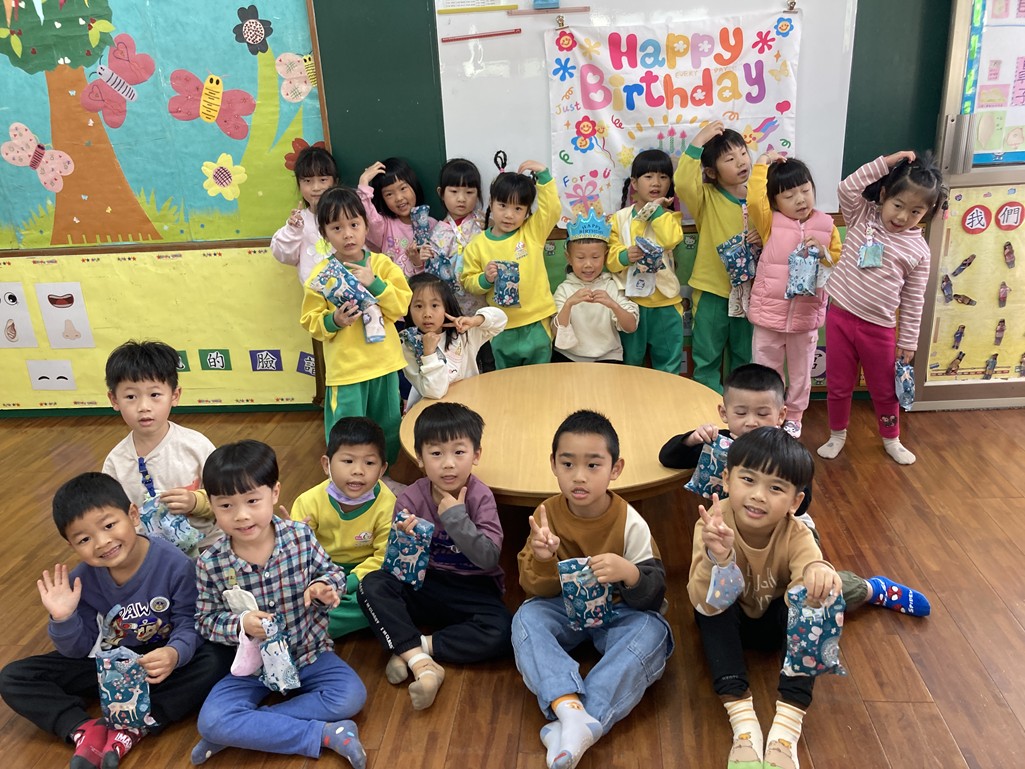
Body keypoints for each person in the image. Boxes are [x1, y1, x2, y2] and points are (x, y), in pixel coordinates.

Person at [0, 472, 232, 769]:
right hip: (111, 665)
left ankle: (141, 723)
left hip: (162, 663)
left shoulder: (174, 563)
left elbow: (190, 621)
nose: (102, 542)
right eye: (84, 539)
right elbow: (78, 650)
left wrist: (174, 653)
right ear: (72, 546)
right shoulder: (81, 580)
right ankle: (83, 729)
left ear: (133, 515)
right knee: (14, 677)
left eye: (109, 525)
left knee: (217, 657)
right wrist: (63, 617)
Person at [660, 363, 930, 618]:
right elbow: (668, 457)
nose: (751, 422)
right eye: (741, 413)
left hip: (782, 525)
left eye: (762, 414)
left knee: (814, 587)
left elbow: (801, 504)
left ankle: (870, 589)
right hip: (733, 529)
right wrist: (691, 439)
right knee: (731, 581)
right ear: (724, 413)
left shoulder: (788, 455)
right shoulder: (719, 442)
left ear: (781, 415)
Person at [192, 440, 367, 767]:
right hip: (252, 668)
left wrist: (325, 587)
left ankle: (242, 730)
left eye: (252, 500)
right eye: (226, 505)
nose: (241, 515)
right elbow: (204, 620)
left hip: (310, 654)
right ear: (211, 505)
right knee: (211, 719)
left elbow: (331, 573)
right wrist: (241, 625)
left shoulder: (300, 537)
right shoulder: (210, 563)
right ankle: (325, 734)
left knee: (351, 695)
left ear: (274, 493)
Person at [514, 410, 672, 769]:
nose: (579, 476)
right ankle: (571, 709)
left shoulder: (629, 520)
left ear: (615, 469)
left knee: (654, 633)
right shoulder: (546, 514)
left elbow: (654, 592)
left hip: (619, 611)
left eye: (593, 465)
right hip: (562, 608)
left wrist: (629, 573)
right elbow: (532, 587)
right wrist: (543, 559)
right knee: (526, 619)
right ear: (553, 464)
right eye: (568, 464)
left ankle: (574, 719)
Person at [689, 427, 840, 769]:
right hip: (731, 619)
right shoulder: (712, 525)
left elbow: (809, 576)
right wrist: (720, 559)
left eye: (776, 488)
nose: (758, 496)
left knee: (823, 598)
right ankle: (743, 723)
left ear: (795, 502)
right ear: (726, 480)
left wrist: (818, 571)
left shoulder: (797, 532)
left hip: (774, 621)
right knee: (711, 610)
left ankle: (786, 728)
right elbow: (702, 602)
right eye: (748, 480)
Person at [357, 403, 511, 711]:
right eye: (436, 453)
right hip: (425, 583)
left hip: (472, 588)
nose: (448, 464)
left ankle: (413, 648)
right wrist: (406, 544)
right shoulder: (410, 498)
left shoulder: (480, 496)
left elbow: (488, 558)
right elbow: (399, 570)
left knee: (503, 631)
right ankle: (422, 663)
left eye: (459, 452)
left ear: (476, 455)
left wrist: (455, 517)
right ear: (420, 458)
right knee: (371, 584)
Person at [817, 151, 946, 465]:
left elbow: (914, 299)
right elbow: (847, 187)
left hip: (879, 329)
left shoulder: (919, 250)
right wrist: (887, 162)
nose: (902, 217)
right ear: (885, 194)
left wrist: (909, 341)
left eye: (915, 211)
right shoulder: (862, 216)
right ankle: (837, 434)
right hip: (840, 317)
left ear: (927, 212)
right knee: (838, 385)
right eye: (898, 205)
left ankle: (891, 438)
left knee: (885, 389)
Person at [300, 186, 412, 460]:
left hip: (384, 365)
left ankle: (384, 473)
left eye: (354, 224)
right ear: (324, 233)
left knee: (387, 426)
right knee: (346, 430)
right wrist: (334, 320)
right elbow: (310, 320)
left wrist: (375, 283)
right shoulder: (322, 274)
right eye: (336, 228)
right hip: (347, 370)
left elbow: (401, 306)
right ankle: (346, 476)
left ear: (365, 226)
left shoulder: (382, 265)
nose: (348, 234)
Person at [747, 153, 842, 438]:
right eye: (789, 196)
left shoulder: (827, 225)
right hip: (768, 316)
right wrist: (762, 162)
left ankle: (795, 416)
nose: (800, 200)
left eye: (805, 190)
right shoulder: (769, 222)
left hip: (805, 318)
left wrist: (823, 253)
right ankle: (768, 414)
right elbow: (755, 201)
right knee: (765, 370)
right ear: (775, 202)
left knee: (801, 373)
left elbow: (837, 262)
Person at [102, 339, 221, 550]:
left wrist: (195, 501)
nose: (144, 406)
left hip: (209, 548)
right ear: (114, 400)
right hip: (152, 554)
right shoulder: (115, 462)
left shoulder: (196, 446)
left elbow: (228, 496)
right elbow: (110, 517)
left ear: (174, 396)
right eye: (130, 396)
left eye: (155, 394)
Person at [289, 417, 396, 637]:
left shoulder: (387, 503)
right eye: (348, 461)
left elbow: (383, 556)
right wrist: (293, 537)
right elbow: (297, 556)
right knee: (292, 589)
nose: (358, 471)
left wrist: (348, 583)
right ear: (326, 464)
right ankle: (315, 618)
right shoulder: (308, 501)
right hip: (321, 571)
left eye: (369, 463)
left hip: (364, 574)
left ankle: (312, 624)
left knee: (384, 595)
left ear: (382, 469)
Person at [675, 120, 756, 392]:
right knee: (706, 356)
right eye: (730, 159)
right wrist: (698, 141)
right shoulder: (706, 197)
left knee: (744, 357)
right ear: (711, 171)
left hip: (750, 292)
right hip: (712, 291)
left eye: (743, 153)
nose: (741, 162)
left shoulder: (760, 197)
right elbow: (683, 183)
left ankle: (741, 405)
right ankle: (707, 405)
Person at [461, 160, 561, 368]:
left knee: (541, 378)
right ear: (491, 203)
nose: (509, 215)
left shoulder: (532, 233)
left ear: (527, 212)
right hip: (500, 326)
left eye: (518, 208)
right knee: (505, 381)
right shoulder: (477, 245)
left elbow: (551, 210)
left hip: (536, 322)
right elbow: (468, 281)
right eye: (503, 205)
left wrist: (543, 176)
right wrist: (485, 279)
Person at [606, 149, 684, 372]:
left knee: (669, 363)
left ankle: (668, 394)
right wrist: (624, 256)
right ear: (634, 183)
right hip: (631, 303)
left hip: (666, 302)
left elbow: (670, 240)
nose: (656, 183)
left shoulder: (669, 217)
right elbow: (610, 259)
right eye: (648, 176)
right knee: (630, 364)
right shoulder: (619, 218)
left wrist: (655, 210)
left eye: (663, 177)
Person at [401, 272, 506, 409]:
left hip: (470, 404)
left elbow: (501, 320)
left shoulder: (463, 333)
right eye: (419, 306)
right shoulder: (408, 343)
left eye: (434, 305)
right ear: (408, 309)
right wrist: (429, 354)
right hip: (432, 411)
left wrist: (475, 320)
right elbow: (435, 391)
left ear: (446, 306)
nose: (427, 314)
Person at [553, 210, 639, 363]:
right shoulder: (564, 289)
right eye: (580, 258)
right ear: (569, 258)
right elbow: (555, 331)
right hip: (568, 356)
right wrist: (569, 304)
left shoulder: (612, 285)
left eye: (595, 257)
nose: (588, 264)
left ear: (605, 256)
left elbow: (631, 327)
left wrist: (613, 305)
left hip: (608, 356)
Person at [424, 158, 488, 316]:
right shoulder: (436, 234)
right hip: (453, 307)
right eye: (454, 192)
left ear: (478, 194)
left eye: (469, 192)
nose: (461, 199)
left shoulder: (484, 223)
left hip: (485, 303)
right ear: (441, 193)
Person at [271, 145, 340, 285]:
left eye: (323, 180)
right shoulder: (298, 222)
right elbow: (283, 255)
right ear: (299, 184)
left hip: (350, 292)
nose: (316, 188)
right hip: (314, 296)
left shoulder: (347, 215)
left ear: (335, 182)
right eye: (307, 181)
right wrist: (293, 231)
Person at [357, 157, 436, 277]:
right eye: (389, 194)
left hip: (422, 287)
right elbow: (368, 217)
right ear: (382, 199)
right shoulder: (384, 225)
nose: (399, 198)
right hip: (390, 287)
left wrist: (417, 262)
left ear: (414, 186)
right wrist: (363, 183)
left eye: (403, 188)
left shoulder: (432, 225)